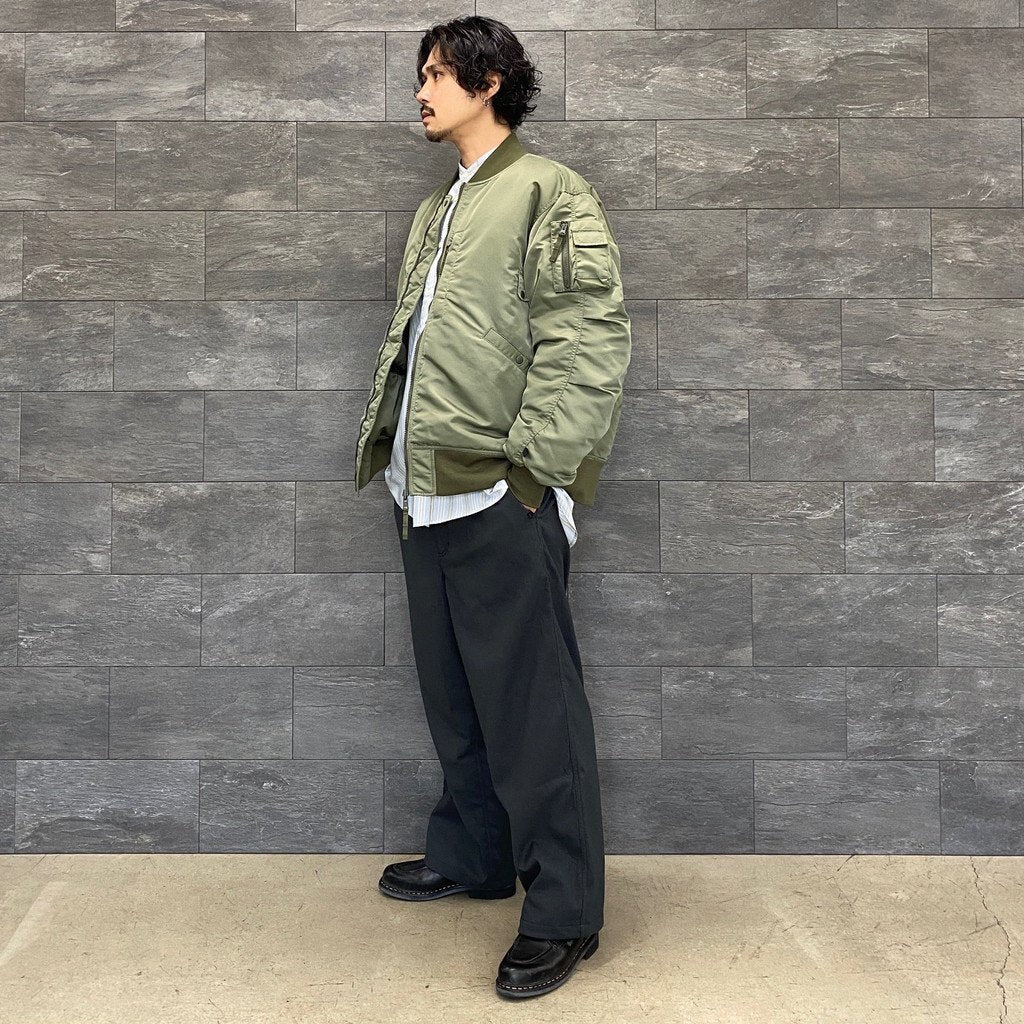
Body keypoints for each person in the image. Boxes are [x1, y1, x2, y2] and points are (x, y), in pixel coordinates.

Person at [352, 15, 631, 1000]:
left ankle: (564, 914)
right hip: (423, 494)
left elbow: (586, 336)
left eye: (437, 74)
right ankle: (475, 854)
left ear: (491, 81)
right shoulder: (441, 207)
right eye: (421, 74)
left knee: (533, 714)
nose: (421, 91)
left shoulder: (548, 192)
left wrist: (532, 477)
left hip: (497, 494)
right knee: (455, 700)